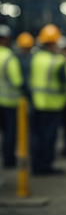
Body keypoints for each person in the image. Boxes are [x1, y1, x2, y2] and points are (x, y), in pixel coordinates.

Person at [29, 23, 66, 175]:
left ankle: (36, 166)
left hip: (36, 103)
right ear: (55, 43)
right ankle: (46, 166)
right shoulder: (59, 61)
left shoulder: (35, 58)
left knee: (36, 137)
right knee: (49, 138)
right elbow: (64, 82)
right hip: (53, 105)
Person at [0, 24, 24, 168]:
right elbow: (17, 81)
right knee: (9, 133)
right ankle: (8, 159)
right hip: (8, 102)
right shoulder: (9, 57)